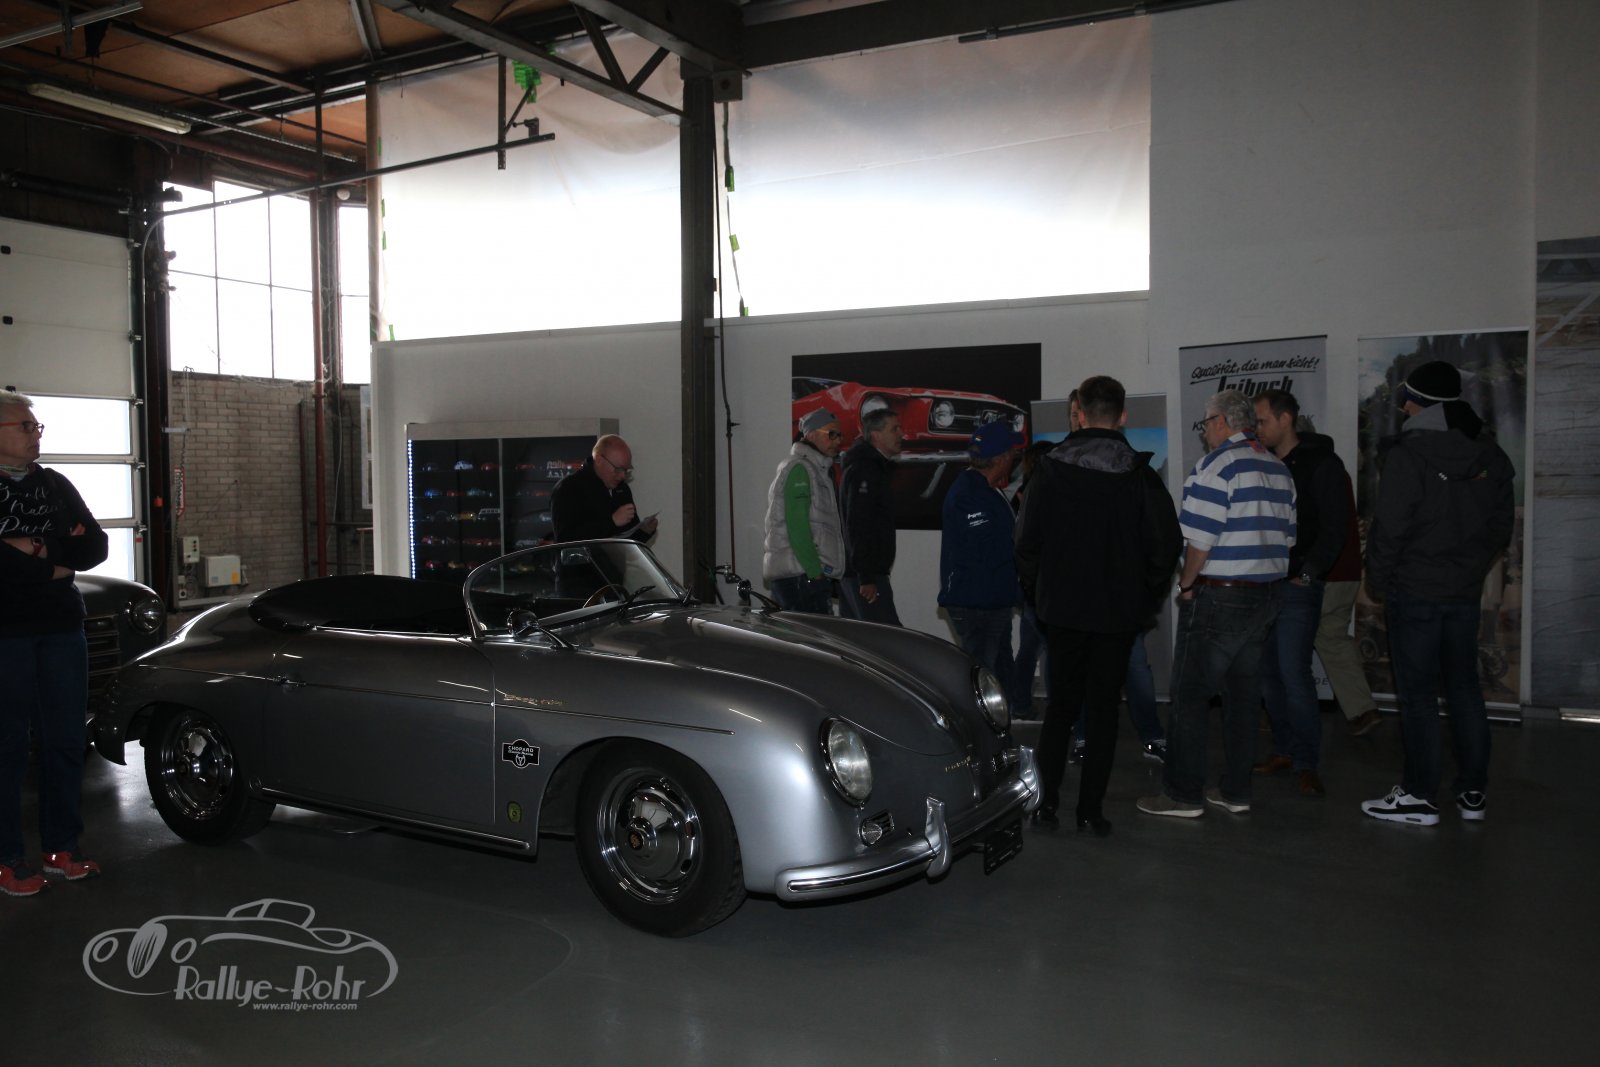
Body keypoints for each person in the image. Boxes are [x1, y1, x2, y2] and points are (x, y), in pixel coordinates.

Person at [1017, 376, 1181, 836]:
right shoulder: (1141, 476)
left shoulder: (1048, 472)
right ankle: (1090, 812)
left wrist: (1039, 594)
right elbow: (1165, 546)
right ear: (1122, 416)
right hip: (1116, 613)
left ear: (1080, 414)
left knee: (1061, 708)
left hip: (1063, 611)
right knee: (1105, 710)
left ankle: (1046, 805)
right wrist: (1143, 598)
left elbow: (1026, 543)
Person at [1360, 361, 1514, 826]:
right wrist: (1468, 571)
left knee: (1419, 696)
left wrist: (1379, 580)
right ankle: (1472, 794)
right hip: (1462, 592)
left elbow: (1390, 527)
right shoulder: (1490, 454)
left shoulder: (1409, 454)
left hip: (1414, 591)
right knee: (1465, 690)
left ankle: (1419, 797)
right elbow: (1500, 528)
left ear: (1414, 403)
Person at [1138, 388, 1295, 819]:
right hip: (1266, 595)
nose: (1204, 431)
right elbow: (1288, 539)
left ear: (1222, 422)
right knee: (1243, 698)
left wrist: (1187, 584)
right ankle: (1236, 790)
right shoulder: (1278, 468)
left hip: (1220, 594)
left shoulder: (1217, 466)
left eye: (1206, 423)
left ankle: (1182, 794)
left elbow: (1199, 540)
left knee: (1190, 697)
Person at [1, 391, 110, 896]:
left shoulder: (55, 484)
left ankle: (61, 848)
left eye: (36, 426)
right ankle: (7, 858)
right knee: (6, 746)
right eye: (25, 426)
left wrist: (31, 548)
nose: (35, 434)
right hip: (5, 633)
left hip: (62, 627)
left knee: (65, 740)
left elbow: (95, 546)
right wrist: (56, 560)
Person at [1251, 389, 1351, 798]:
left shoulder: (1322, 464)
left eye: (1262, 421)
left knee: (1293, 671)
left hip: (1297, 584)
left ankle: (1307, 762)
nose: (1257, 428)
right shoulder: (1265, 463)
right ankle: (1285, 750)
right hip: (1264, 582)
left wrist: (1309, 574)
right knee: (1269, 674)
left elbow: (1337, 525)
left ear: (1285, 419)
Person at [938, 422, 1023, 685]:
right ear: (1002, 458)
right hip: (977, 602)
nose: (1015, 457)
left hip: (991, 598)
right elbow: (986, 550)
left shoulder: (984, 489)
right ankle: (980, 714)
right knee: (982, 678)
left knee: (999, 670)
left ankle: (1008, 709)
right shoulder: (970, 494)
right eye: (1013, 452)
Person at [1310, 437, 1383, 737]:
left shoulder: (1313, 471)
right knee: (1332, 638)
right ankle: (1362, 709)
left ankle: (1281, 714)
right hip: (1347, 570)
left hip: (1323, 572)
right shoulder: (1338, 472)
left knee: (1290, 641)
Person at [761, 408, 846, 614]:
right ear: (811, 435)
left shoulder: (815, 469)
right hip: (801, 579)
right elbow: (797, 526)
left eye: (840, 435)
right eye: (831, 434)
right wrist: (815, 572)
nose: (838, 441)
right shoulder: (800, 469)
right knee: (813, 635)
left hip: (803, 576)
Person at [838, 407, 905, 625]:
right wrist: (865, 576)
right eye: (894, 429)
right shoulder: (865, 469)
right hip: (865, 575)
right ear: (876, 435)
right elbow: (858, 523)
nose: (901, 434)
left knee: (857, 639)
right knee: (887, 639)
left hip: (859, 572)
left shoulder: (869, 466)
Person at [1009, 440, 1056, 719]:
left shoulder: (1024, 493)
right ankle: (1055, 708)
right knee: (1049, 650)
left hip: (1030, 586)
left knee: (1029, 649)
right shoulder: (1043, 495)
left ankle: (1021, 704)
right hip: (1043, 586)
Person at [550, 434, 658, 543]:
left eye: (626, 470)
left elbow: (628, 542)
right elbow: (565, 539)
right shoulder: (568, 488)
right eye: (618, 469)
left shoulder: (622, 489)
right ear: (599, 460)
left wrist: (645, 531)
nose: (622, 476)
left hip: (616, 555)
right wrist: (612, 521)